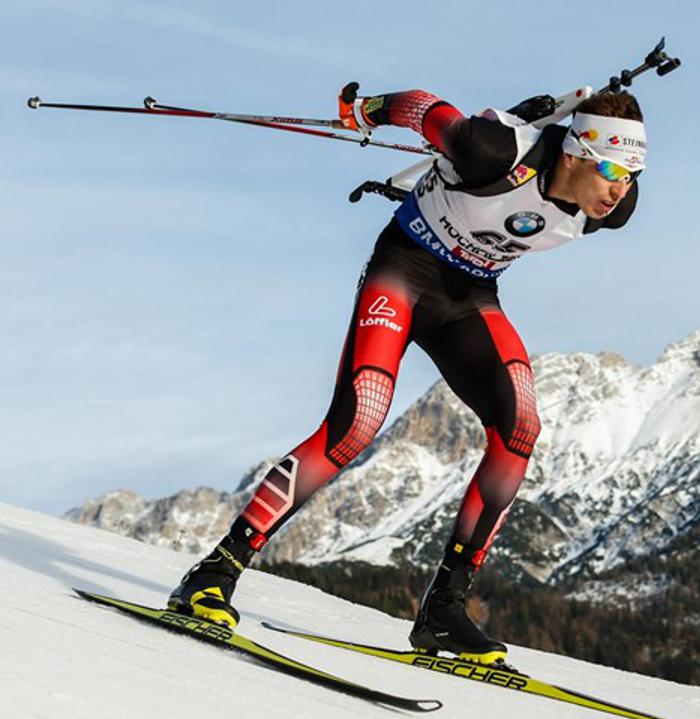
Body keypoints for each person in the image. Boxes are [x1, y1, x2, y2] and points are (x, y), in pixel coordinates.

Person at [167, 84, 646, 666]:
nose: (621, 188)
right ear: (573, 152)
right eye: (613, 169)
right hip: (404, 272)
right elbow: (422, 106)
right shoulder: (493, 152)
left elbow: (602, 195)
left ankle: (444, 611)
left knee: (520, 426)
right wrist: (364, 110)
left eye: (633, 172)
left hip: (469, 298)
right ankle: (214, 572)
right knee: (358, 421)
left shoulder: (613, 208)